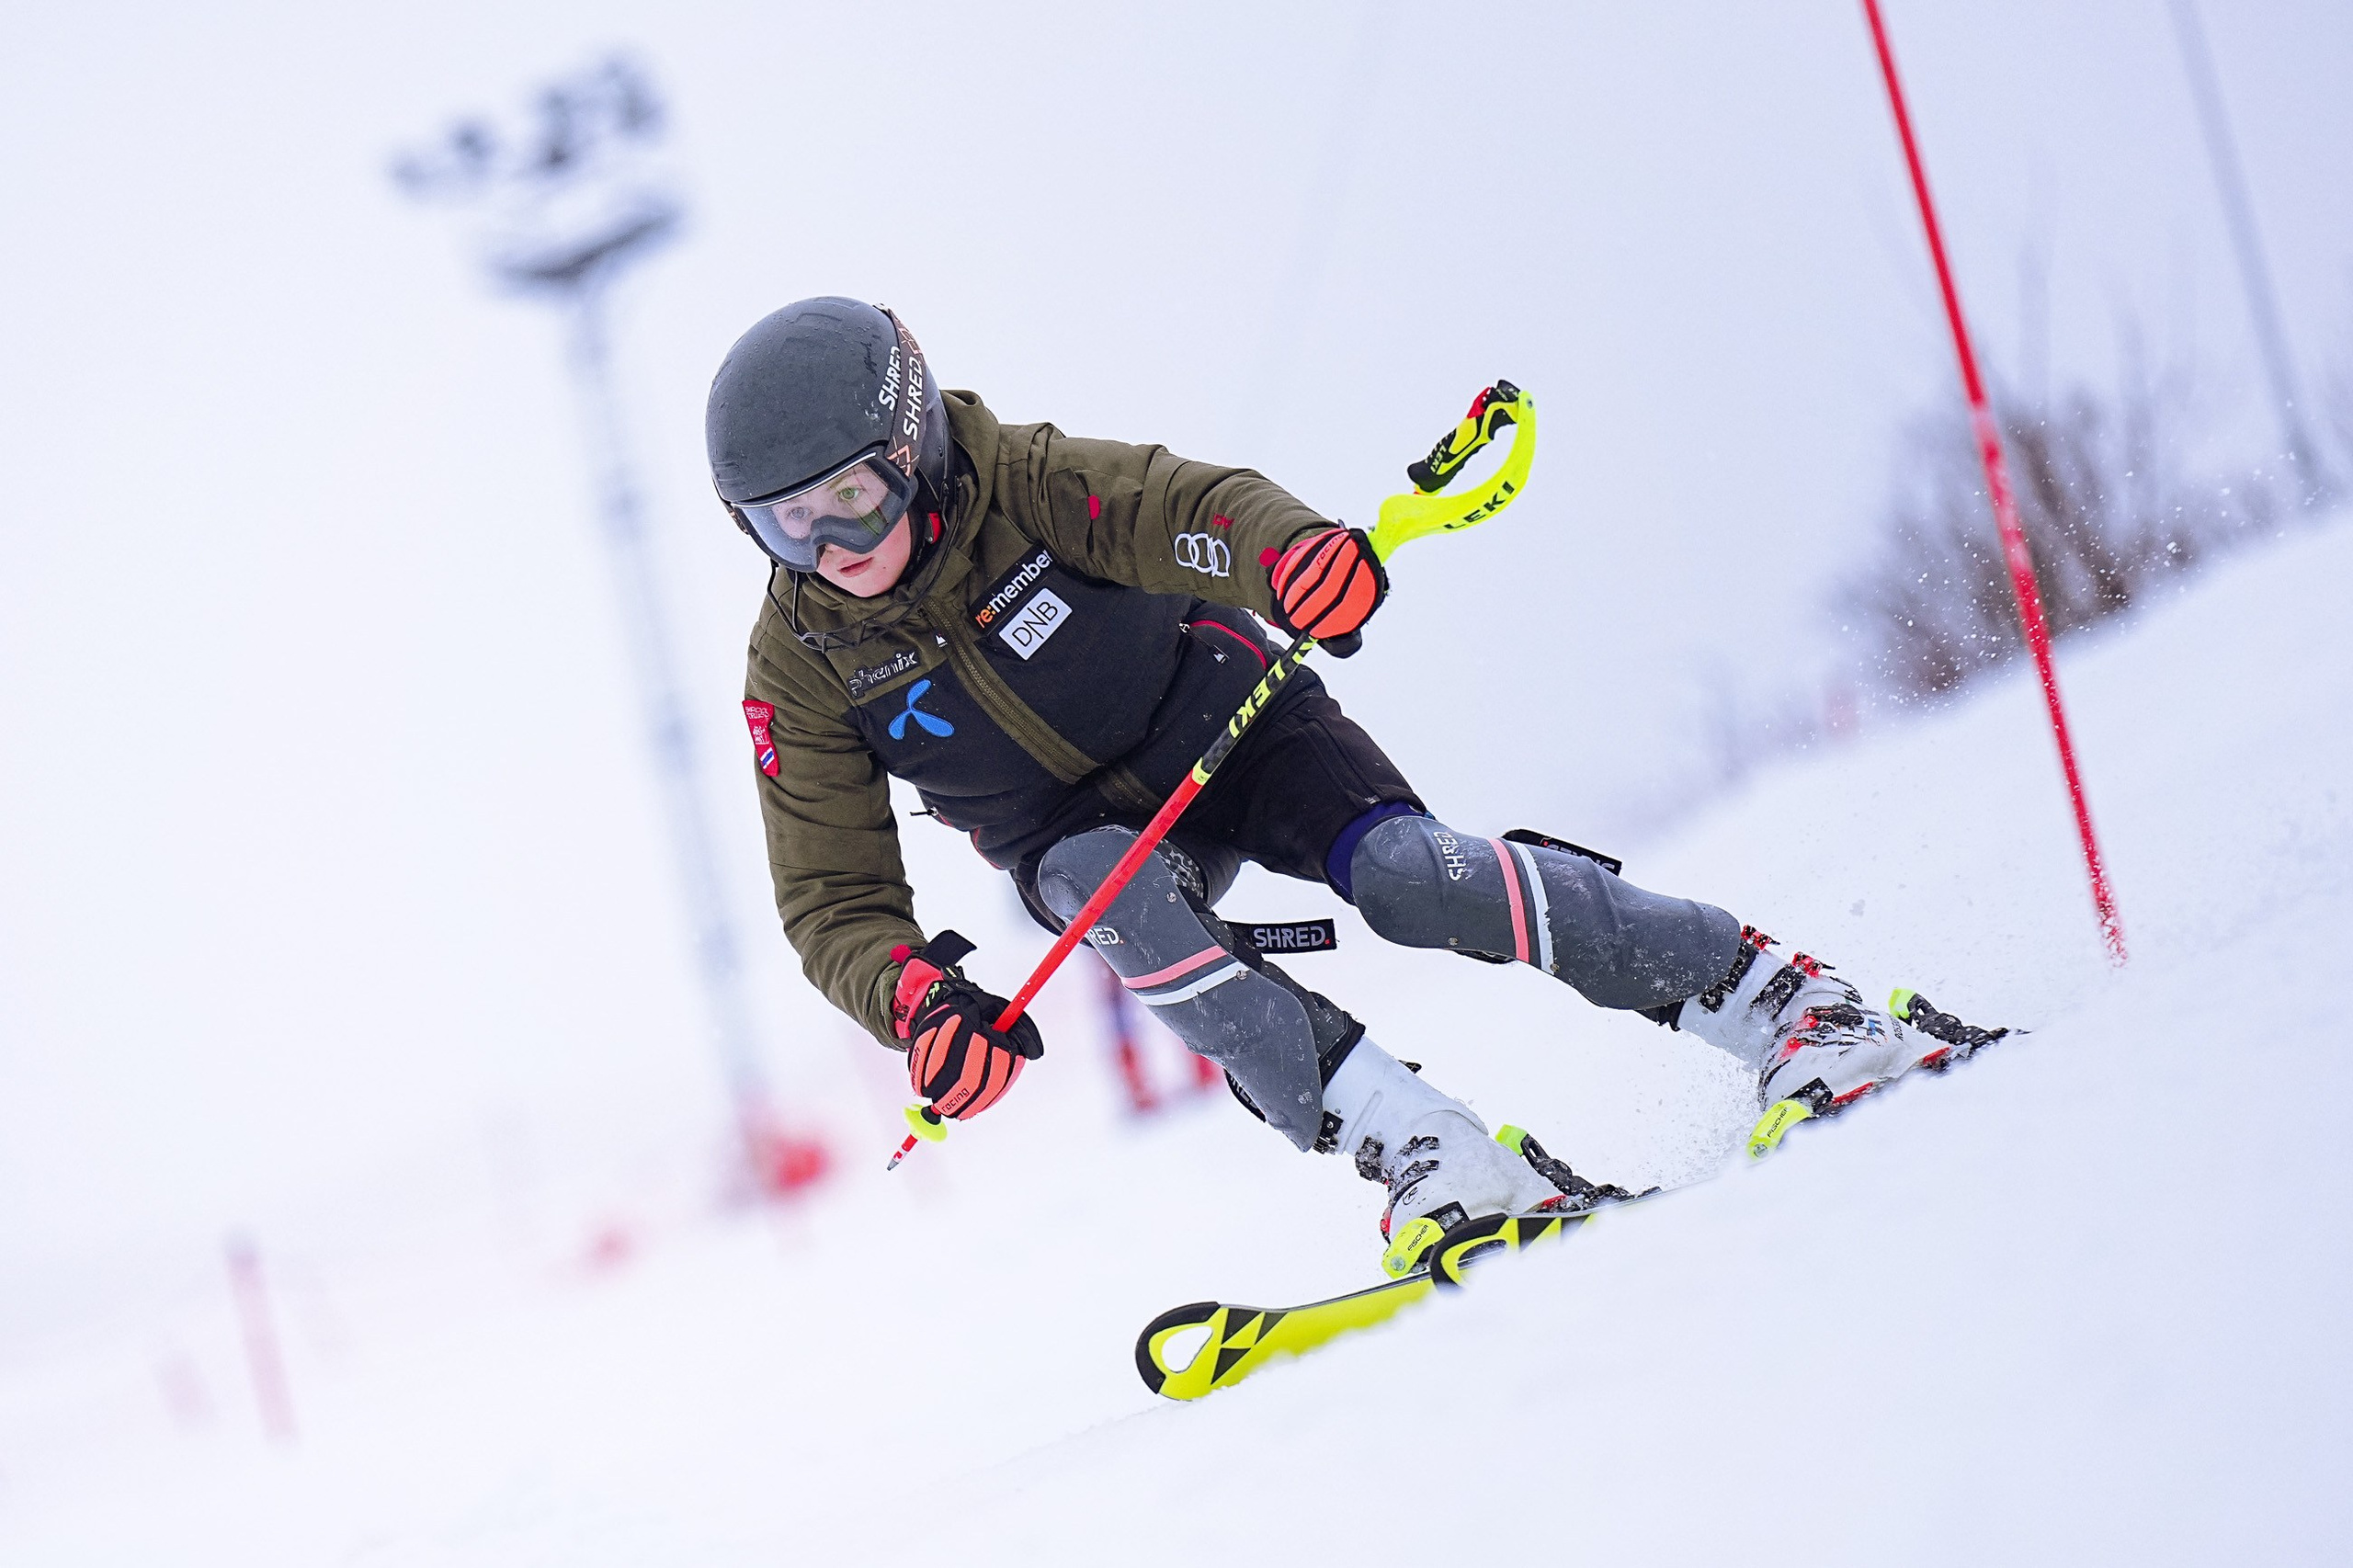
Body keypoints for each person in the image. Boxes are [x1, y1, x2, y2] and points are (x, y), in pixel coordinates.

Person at [711, 297, 1995, 1277]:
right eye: (788, 526)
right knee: (1113, 897)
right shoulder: (804, 664)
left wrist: (1294, 559)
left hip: (1231, 717)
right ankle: (1429, 1147)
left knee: (1408, 881)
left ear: (917, 445)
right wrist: (916, 999)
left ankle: (1778, 998)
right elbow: (833, 900)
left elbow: (1184, 506)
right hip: (1076, 836)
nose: (834, 546)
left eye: (853, 496)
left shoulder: (1027, 481)